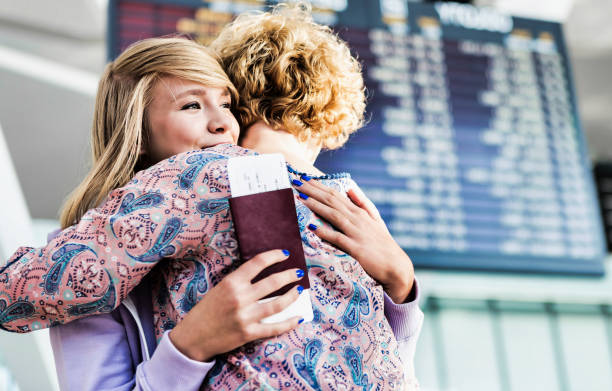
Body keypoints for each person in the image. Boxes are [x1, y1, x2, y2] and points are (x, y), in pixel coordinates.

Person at [0, 4, 423, 390]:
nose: (222, 124)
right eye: (191, 106)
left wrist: (401, 283)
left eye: (227, 104)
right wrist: (191, 343)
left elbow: (21, 293)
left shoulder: (207, 177)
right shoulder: (344, 200)